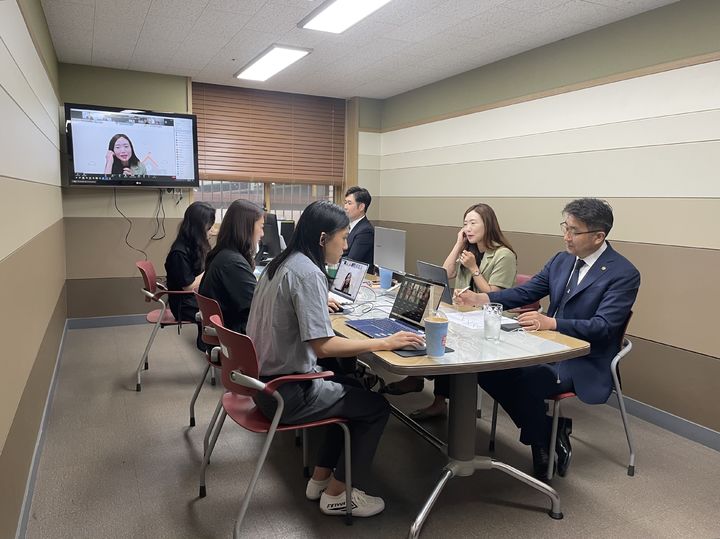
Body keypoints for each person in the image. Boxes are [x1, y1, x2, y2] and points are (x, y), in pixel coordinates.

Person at [246, 200, 424, 518]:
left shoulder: (282, 264)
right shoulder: (308, 273)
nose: (345, 247)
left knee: (350, 385)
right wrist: (384, 342)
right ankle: (338, 495)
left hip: (264, 385)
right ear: (322, 238)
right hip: (286, 393)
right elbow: (323, 347)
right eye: (342, 238)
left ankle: (321, 479)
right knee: (376, 408)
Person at [454, 198, 640, 480]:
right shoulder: (561, 260)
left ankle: (541, 443)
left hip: (583, 357)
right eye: (565, 227)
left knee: (529, 378)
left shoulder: (623, 273)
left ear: (598, 236)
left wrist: (552, 323)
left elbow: (604, 327)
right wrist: (484, 298)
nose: (566, 236)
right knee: (484, 367)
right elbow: (526, 293)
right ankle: (546, 431)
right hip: (545, 345)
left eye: (574, 231)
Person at [383, 203, 517, 420]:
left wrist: (474, 269)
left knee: (449, 341)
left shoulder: (504, 255)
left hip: (491, 319)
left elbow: (494, 295)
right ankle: (416, 377)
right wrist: (458, 244)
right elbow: (445, 273)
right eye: (465, 224)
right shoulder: (469, 250)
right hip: (465, 314)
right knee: (433, 326)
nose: (469, 228)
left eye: (474, 223)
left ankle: (437, 400)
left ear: (488, 225)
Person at [199, 199, 263, 335]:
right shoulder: (233, 263)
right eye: (261, 227)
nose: (262, 234)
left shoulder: (224, 254)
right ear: (247, 228)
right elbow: (259, 308)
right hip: (237, 337)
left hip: (229, 333)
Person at [164, 201, 216, 351]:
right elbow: (188, 286)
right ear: (198, 227)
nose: (210, 230)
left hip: (193, 298)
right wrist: (211, 268)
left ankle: (212, 344)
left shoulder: (194, 243)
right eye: (208, 226)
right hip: (183, 304)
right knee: (221, 309)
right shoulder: (179, 253)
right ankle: (208, 343)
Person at [342, 186, 374, 267]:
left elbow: (352, 260)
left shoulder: (366, 230)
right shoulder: (346, 225)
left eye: (349, 203)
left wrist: (330, 259)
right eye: (345, 203)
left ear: (361, 207)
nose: (345, 207)